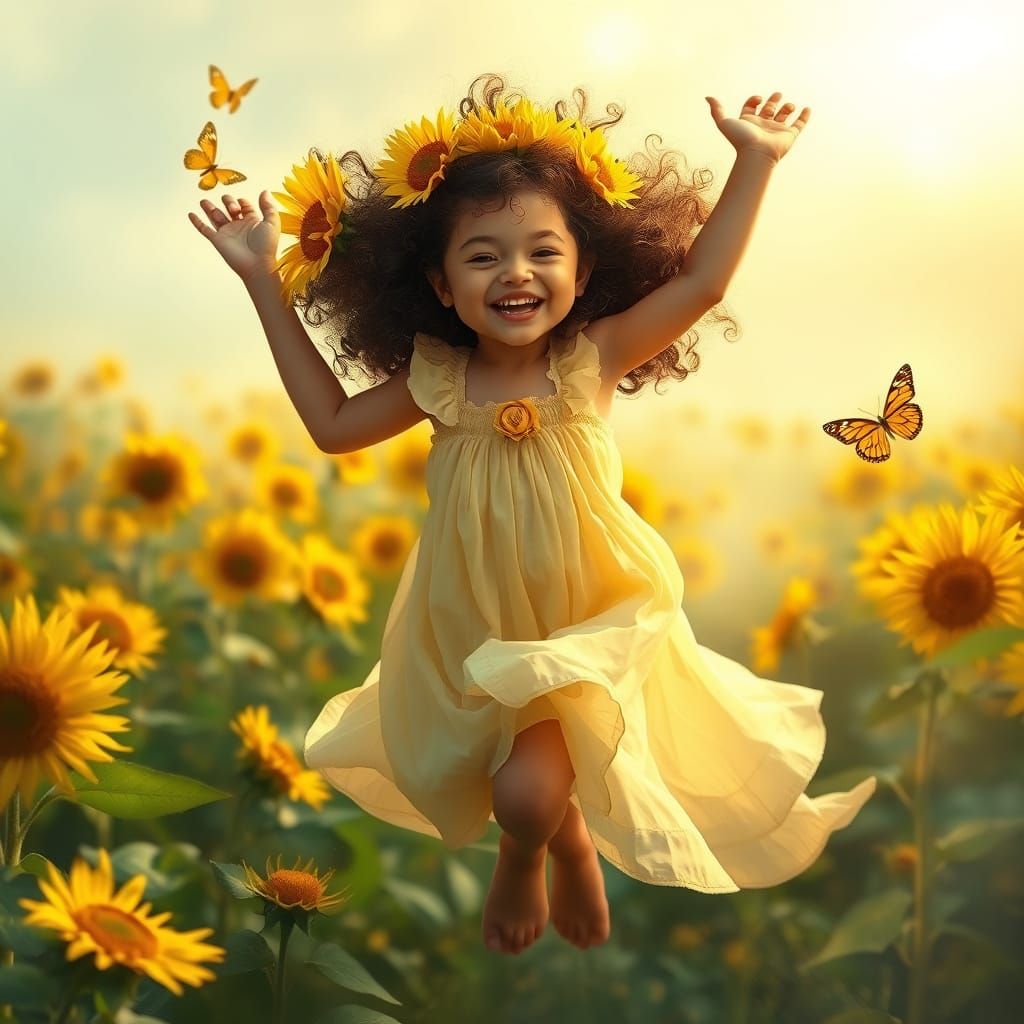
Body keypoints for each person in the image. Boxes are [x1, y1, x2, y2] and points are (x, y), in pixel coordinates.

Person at [188, 73, 876, 957]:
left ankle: (535, 853)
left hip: (591, 613)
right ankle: (563, 837)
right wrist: (262, 283)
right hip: (472, 620)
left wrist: (755, 163)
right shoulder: (439, 380)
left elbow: (703, 281)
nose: (516, 273)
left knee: (523, 794)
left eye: (542, 252)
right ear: (438, 284)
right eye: (483, 257)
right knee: (520, 782)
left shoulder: (594, 357)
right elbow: (331, 426)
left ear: (585, 270)